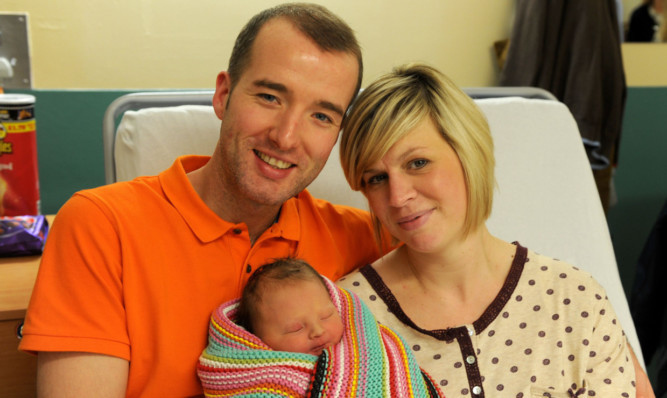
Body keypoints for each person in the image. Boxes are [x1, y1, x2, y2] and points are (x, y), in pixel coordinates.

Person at [19, 4, 381, 397]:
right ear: (224, 95)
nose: (287, 137)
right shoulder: (102, 226)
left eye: (322, 117)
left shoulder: (359, 236)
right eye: (270, 97)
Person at [337, 63, 637, 397]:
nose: (398, 196)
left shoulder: (575, 299)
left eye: (417, 163)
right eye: (376, 178)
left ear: (469, 153)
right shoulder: (344, 318)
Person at [196, 257, 442, 397]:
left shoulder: (364, 348)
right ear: (256, 338)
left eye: (326, 316)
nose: (318, 330)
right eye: (295, 329)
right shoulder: (254, 378)